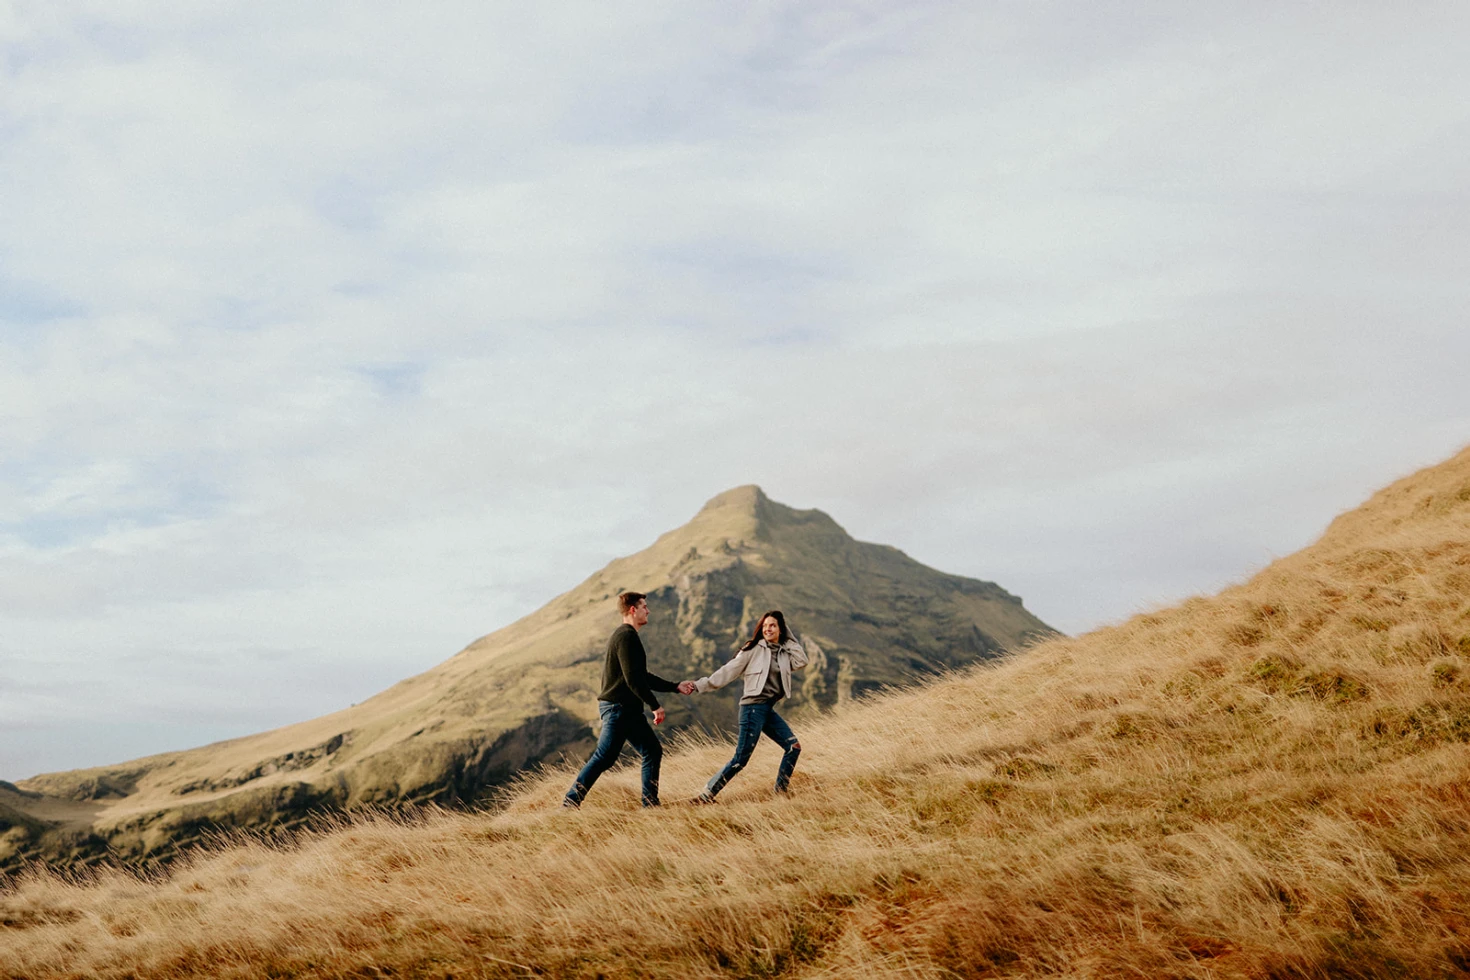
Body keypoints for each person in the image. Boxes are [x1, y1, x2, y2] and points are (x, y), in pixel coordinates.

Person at [563, 591, 682, 808]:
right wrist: (655, 706)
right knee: (604, 757)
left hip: (627, 710)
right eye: (644, 606)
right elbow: (633, 679)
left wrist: (675, 687)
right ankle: (570, 802)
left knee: (651, 751)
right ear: (633, 610)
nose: (649, 610)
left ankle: (650, 804)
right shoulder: (626, 636)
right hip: (619, 708)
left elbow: (641, 675)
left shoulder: (627, 636)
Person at [681, 610, 807, 803]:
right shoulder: (753, 649)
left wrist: (787, 638)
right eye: (764, 626)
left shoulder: (783, 654)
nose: (767, 629)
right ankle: (706, 795)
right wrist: (699, 685)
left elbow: (802, 660)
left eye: (773, 625)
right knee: (741, 759)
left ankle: (780, 794)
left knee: (793, 747)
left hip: (767, 709)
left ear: (781, 628)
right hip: (752, 709)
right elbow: (728, 671)